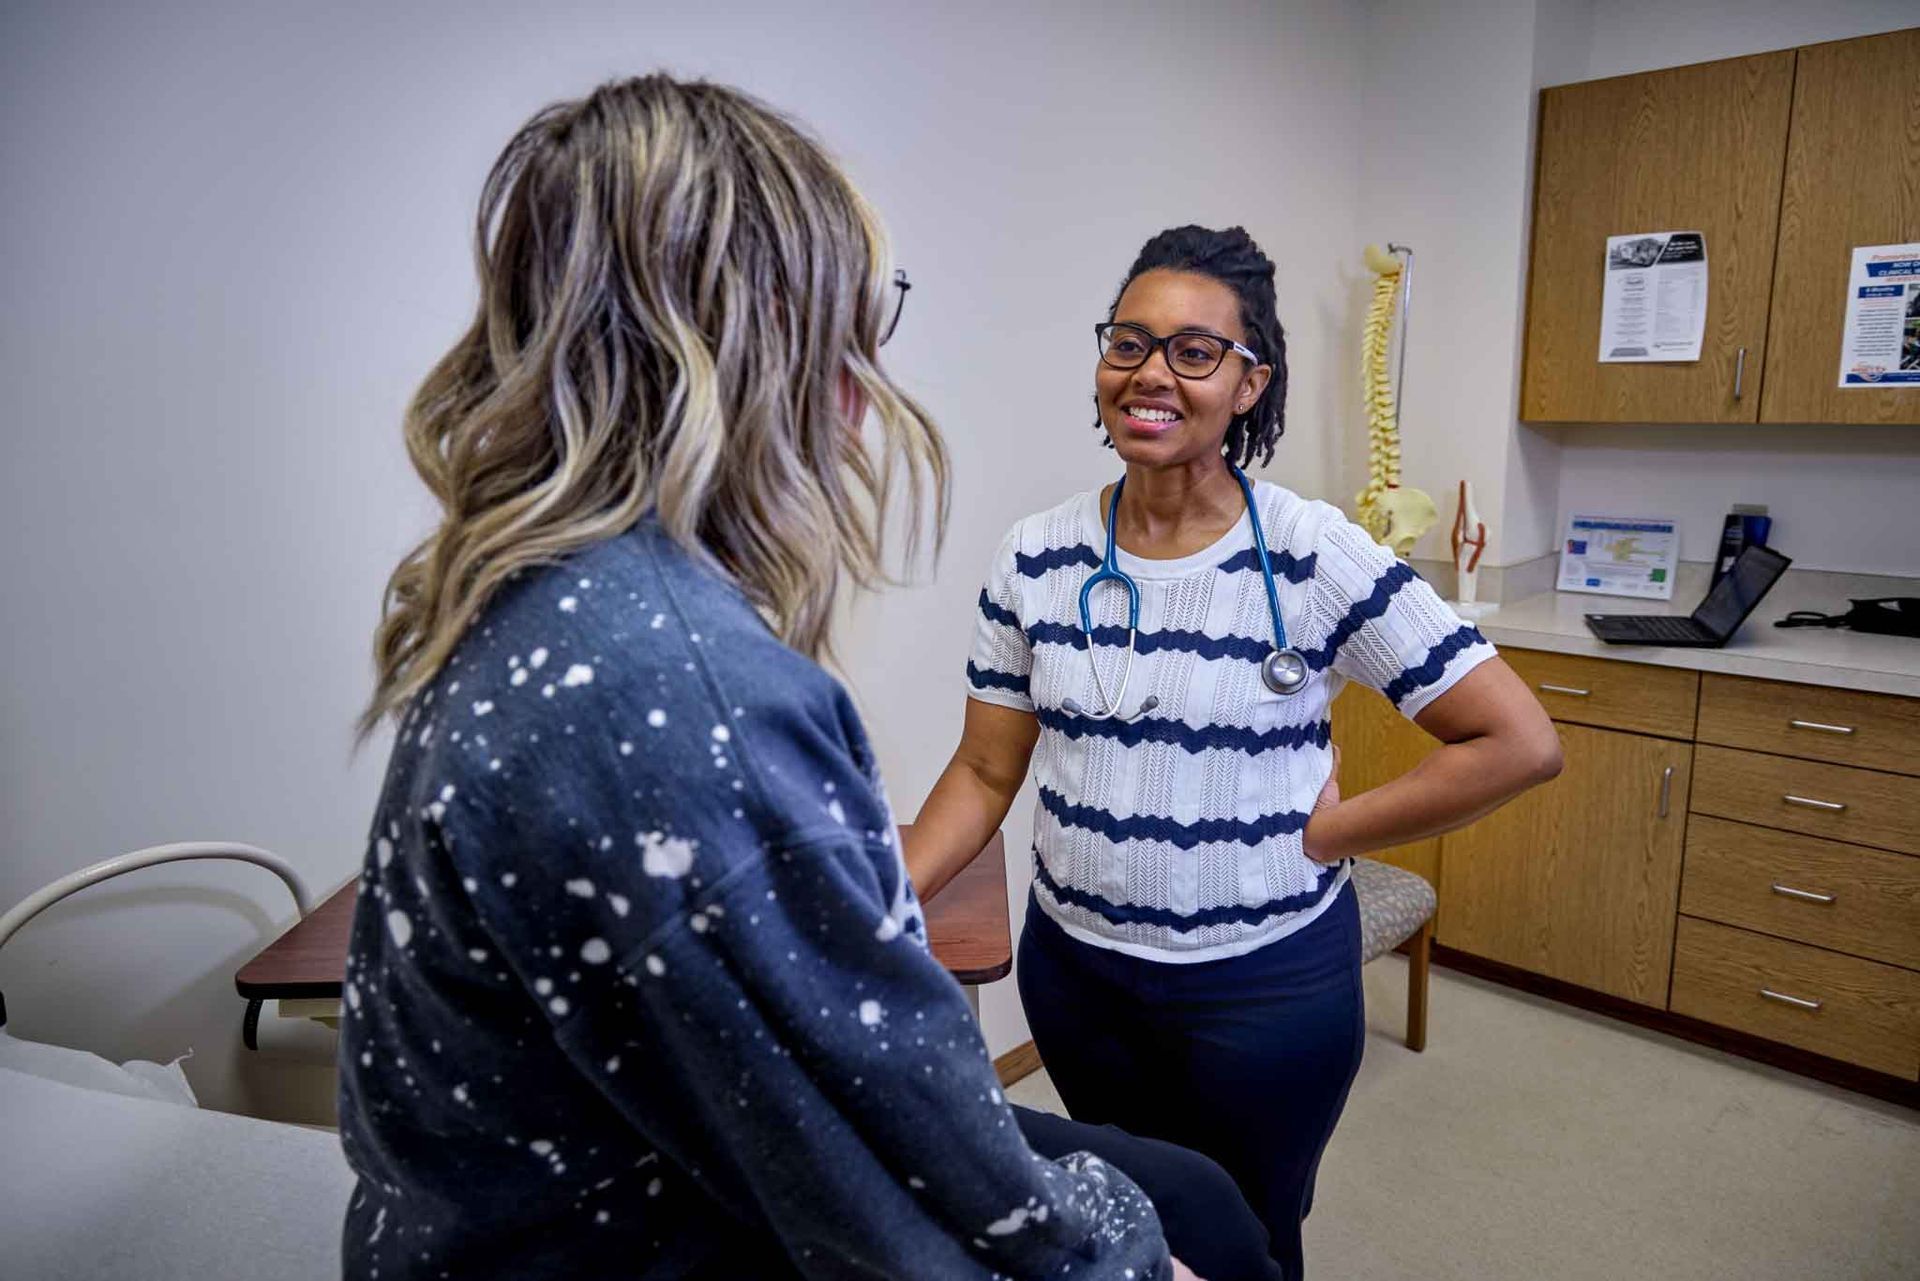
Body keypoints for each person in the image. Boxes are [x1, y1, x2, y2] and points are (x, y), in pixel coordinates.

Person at [337, 76, 1281, 1280]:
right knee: (1195, 1225)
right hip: (627, 1229)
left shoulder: (527, 592)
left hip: (507, 1198)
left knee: (1194, 1185)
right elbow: (902, 1168)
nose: (865, 387)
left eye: (1194, 354)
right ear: (764, 340)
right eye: (857, 319)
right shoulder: (684, 685)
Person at [908, 225, 1564, 1279]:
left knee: (1248, 1240)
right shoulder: (1035, 557)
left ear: (1250, 382)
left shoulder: (1311, 553)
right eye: (1128, 342)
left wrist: (1334, 831)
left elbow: (1516, 740)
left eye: (1194, 351)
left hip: (1263, 990)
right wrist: (887, 899)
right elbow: (986, 770)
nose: (1151, 374)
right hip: (1079, 976)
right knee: (1120, 1222)